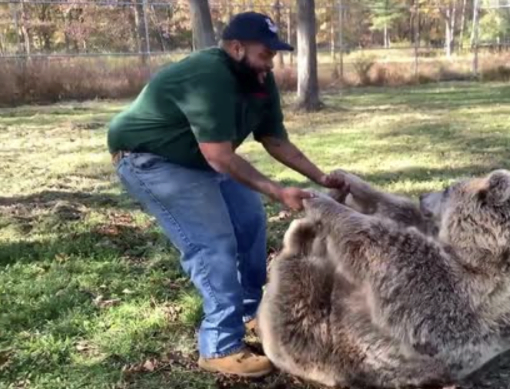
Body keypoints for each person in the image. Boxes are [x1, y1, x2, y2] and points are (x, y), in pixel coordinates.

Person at [106, 11, 346, 377]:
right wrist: (277, 190)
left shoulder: (259, 79)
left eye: (274, 54)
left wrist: (321, 177)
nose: (271, 62)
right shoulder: (209, 76)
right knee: (214, 244)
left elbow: (274, 139)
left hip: (200, 158)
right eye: (265, 53)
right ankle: (219, 345)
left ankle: (251, 313)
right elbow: (219, 155)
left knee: (250, 223)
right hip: (149, 158)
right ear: (236, 48)